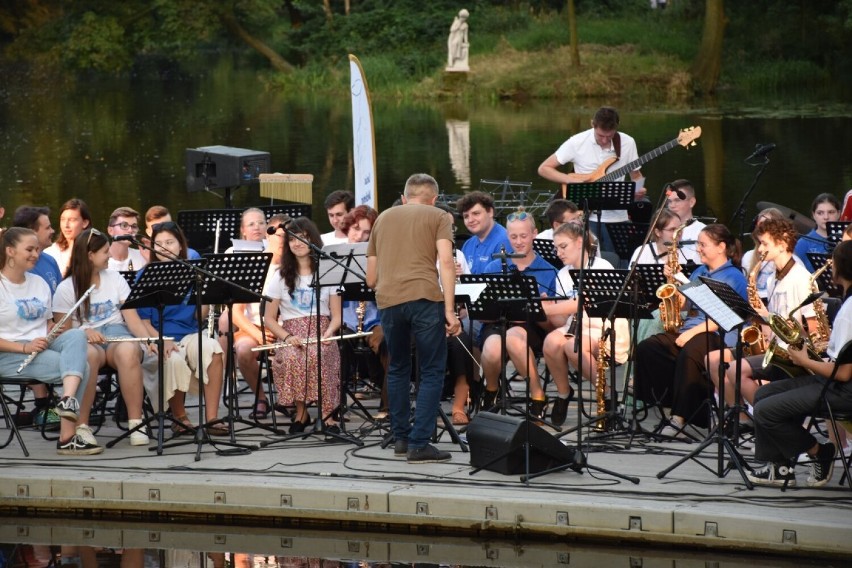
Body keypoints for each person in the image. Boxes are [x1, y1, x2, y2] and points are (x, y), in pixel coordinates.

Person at [366, 173, 461, 463]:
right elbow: (446, 261)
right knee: (431, 370)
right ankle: (420, 444)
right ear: (434, 198)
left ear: (405, 197)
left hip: (389, 300)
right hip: (424, 297)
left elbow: (371, 277)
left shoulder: (382, 218)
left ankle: (401, 438)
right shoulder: (439, 216)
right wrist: (449, 309)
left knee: (397, 368)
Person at [747, 240, 852, 487]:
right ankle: (778, 467)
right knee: (763, 394)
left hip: (842, 390)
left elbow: (845, 373)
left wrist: (804, 360)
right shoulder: (847, 303)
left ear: (841, 268)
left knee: (765, 410)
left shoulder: (848, 311)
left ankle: (819, 452)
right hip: (833, 382)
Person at [633, 224, 748, 438]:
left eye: (703, 244)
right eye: (698, 244)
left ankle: (681, 419)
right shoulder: (699, 271)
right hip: (691, 330)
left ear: (721, 247)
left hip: (717, 336)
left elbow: (725, 319)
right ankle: (668, 407)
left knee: (692, 350)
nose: (698, 249)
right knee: (649, 348)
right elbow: (686, 306)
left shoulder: (734, 276)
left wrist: (690, 334)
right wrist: (674, 285)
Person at [706, 218, 816, 429]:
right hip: (777, 348)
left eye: (765, 243)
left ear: (783, 243)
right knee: (731, 368)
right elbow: (774, 316)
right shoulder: (772, 277)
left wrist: (786, 333)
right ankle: (768, 422)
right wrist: (762, 317)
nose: (761, 249)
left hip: (794, 353)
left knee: (736, 370)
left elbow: (811, 326)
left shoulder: (801, 278)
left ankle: (773, 422)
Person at [0, 227, 101, 455]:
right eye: (29, 249)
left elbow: (45, 323)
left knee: (76, 334)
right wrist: (24, 346)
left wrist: (53, 331)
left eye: (37, 249)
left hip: (40, 345)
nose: (36, 254)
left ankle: (66, 400)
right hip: (10, 355)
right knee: (81, 366)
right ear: (10, 251)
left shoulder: (39, 283)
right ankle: (67, 437)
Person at [53, 228, 152, 446]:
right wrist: (84, 332)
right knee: (86, 356)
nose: (109, 255)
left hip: (116, 335)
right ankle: (82, 425)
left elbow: (132, 319)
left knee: (128, 351)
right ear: (90, 255)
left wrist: (147, 340)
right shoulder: (66, 288)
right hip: (86, 340)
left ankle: (136, 422)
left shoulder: (115, 278)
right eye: (105, 252)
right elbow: (64, 330)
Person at [133, 221, 227, 436]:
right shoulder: (145, 275)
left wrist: (207, 293)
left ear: (180, 245)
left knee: (212, 349)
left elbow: (197, 316)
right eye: (159, 243)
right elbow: (144, 323)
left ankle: (211, 418)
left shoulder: (191, 270)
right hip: (157, 336)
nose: (164, 247)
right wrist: (162, 339)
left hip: (190, 333)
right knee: (172, 358)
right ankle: (179, 418)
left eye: (170, 242)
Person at [542, 223, 630, 425]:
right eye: (556, 248)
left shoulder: (602, 267)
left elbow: (583, 303)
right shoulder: (563, 273)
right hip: (575, 327)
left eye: (563, 246)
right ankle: (564, 393)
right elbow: (561, 319)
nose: (558, 252)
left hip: (604, 328)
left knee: (572, 346)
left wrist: (549, 309)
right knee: (550, 342)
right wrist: (548, 308)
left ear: (580, 242)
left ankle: (607, 394)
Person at [263, 217, 342, 434]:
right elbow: (269, 318)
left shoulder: (327, 271)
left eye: (303, 238)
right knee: (292, 356)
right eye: (293, 239)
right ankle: (301, 412)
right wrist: (287, 338)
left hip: (323, 329)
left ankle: (328, 414)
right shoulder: (279, 275)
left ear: (313, 240)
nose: (297, 243)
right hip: (291, 331)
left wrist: (328, 332)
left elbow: (337, 316)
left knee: (321, 354)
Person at [478, 208, 558, 419]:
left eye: (524, 235)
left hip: (531, 328)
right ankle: (492, 390)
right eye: (513, 236)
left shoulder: (548, 270)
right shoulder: (495, 266)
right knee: (492, 348)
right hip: (497, 323)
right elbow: (481, 311)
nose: (519, 241)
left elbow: (553, 325)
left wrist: (540, 308)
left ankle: (537, 394)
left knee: (514, 338)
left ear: (534, 233)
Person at [537, 106, 647, 253]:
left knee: (619, 261)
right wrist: (571, 181)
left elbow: (636, 175)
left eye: (609, 136)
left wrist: (638, 189)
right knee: (589, 259)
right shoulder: (577, 142)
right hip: (585, 217)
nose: (604, 140)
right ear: (592, 124)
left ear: (616, 128)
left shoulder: (627, 143)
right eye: (601, 135)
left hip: (618, 217)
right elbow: (544, 168)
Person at [218, 212, 288, 419]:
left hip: (288, 326)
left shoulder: (295, 266)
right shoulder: (254, 265)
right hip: (255, 326)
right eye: (277, 235)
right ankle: (261, 398)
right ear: (267, 237)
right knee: (243, 349)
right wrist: (257, 335)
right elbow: (236, 313)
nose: (282, 240)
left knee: (292, 349)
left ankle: (289, 399)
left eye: (287, 236)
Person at [11, 206, 64, 429]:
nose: (53, 230)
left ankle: (72, 403)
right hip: (27, 333)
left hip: (52, 324)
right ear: (32, 232)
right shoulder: (20, 268)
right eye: (48, 227)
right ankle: (44, 404)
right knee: (37, 340)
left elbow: (61, 297)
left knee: (81, 345)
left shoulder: (50, 260)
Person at [336, 205, 388, 416]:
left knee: (390, 346)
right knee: (336, 346)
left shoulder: (382, 255)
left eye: (367, 232)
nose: (361, 236)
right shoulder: (334, 254)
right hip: (344, 319)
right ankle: (335, 407)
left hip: (375, 319)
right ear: (348, 228)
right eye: (356, 229)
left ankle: (388, 407)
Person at [456, 191, 512, 275]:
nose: (470, 220)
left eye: (476, 214)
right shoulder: (468, 244)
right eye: (466, 216)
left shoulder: (505, 240)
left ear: (490, 212)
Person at [740, 207, 789, 301]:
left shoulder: (792, 262)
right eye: (760, 226)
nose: (763, 230)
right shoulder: (748, 257)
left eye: (769, 226)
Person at [44, 198, 92, 276]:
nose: (66, 225)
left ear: (85, 223)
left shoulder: (96, 250)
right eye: (62, 220)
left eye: (72, 220)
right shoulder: (50, 253)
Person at [794, 193, 841, 272]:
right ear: (813, 215)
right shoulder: (803, 243)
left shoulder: (847, 238)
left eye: (831, 212)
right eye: (820, 213)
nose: (826, 217)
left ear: (839, 214)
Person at [661, 179, 704, 264]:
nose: (672, 206)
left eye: (677, 200)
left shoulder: (703, 231)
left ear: (692, 202)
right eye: (669, 201)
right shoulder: (661, 230)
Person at [106, 206, 147, 271]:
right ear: (110, 230)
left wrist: (150, 260)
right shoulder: (101, 260)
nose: (130, 230)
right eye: (124, 225)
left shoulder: (143, 256)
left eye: (134, 226)